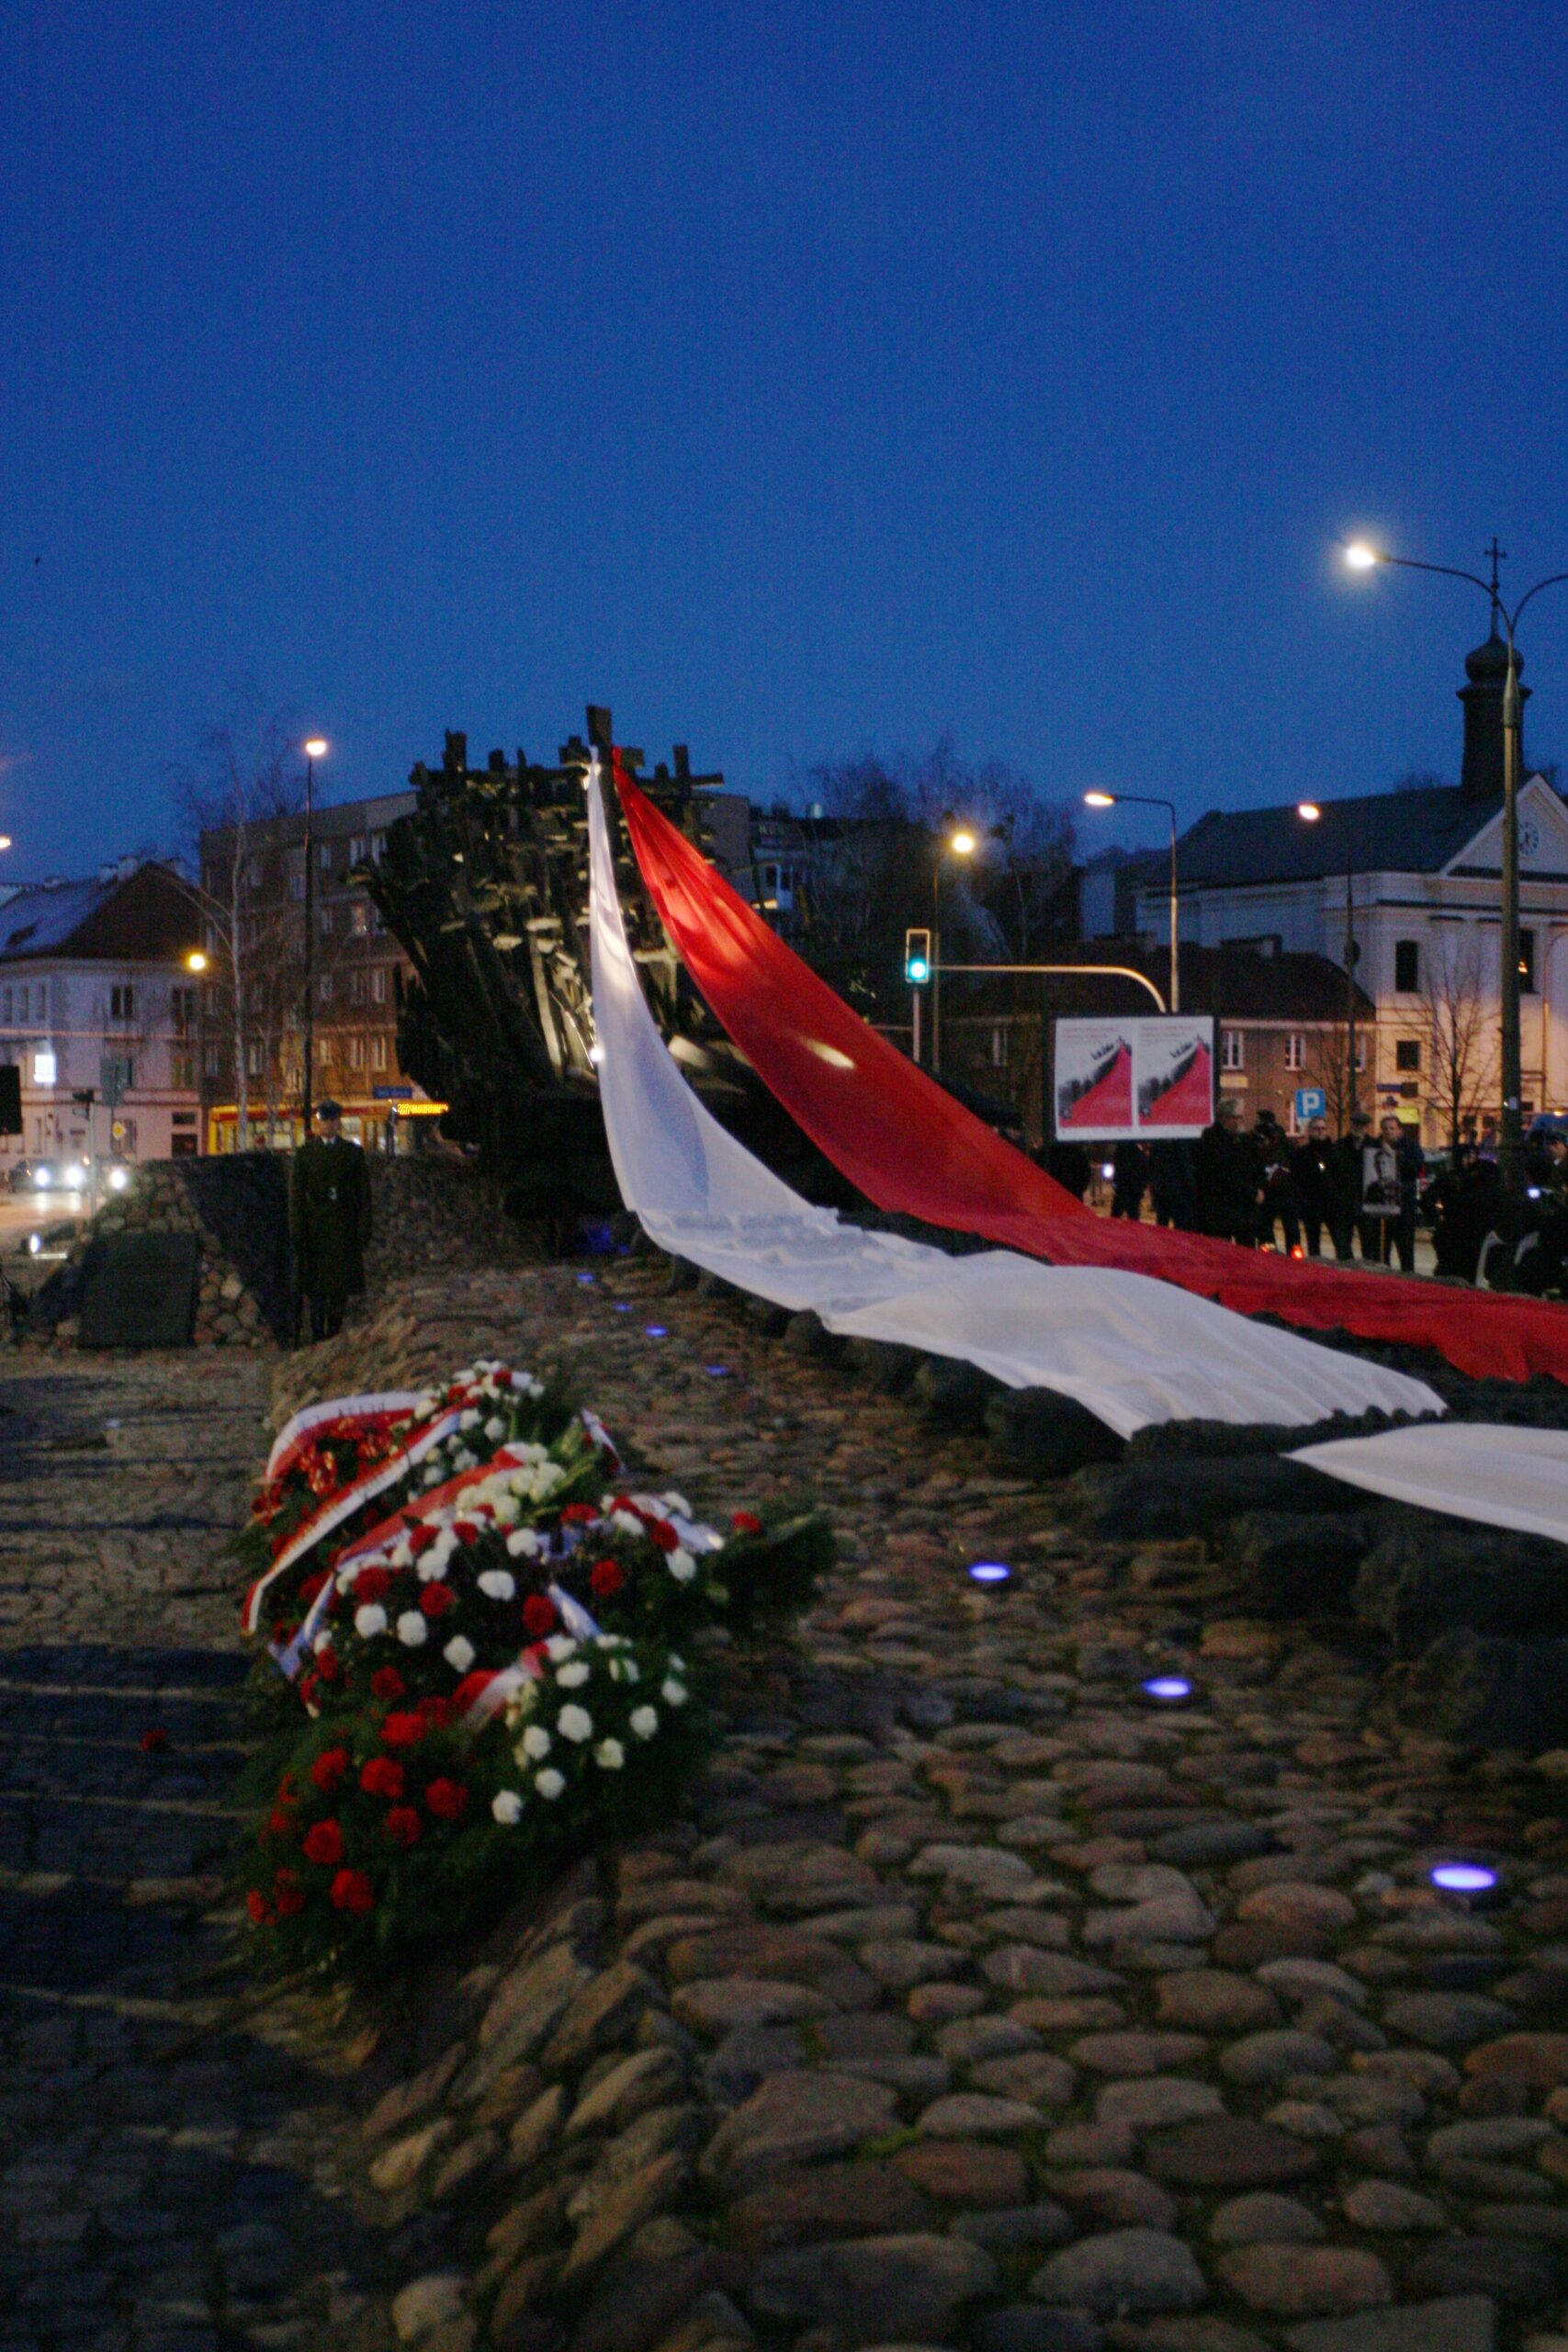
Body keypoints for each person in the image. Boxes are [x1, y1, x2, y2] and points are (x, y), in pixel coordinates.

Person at [289, 1099, 373, 1343]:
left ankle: (333, 1332)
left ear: (338, 1122)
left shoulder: (352, 1153)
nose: (328, 1124)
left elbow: (363, 1194)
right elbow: (296, 1197)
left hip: (342, 1227)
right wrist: (297, 1230)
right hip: (315, 1228)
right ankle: (318, 1334)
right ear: (318, 1123)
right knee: (315, 1287)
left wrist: (363, 1229)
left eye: (332, 1120)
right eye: (324, 1120)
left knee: (339, 1288)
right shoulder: (305, 1154)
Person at [1359, 1114, 1424, 1271]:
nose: (1388, 1132)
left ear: (1399, 1130)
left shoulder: (1410, 1146)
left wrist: (1393, 1155)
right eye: (1385, 1129)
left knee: (1405, 1251)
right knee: (1381, 1252)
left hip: (1404, 1207)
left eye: (1392, 1128)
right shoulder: (1375, 1146)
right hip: (1381, 1210)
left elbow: (1414, 1168)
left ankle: (1408, 1276)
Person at [1195, 1096, 1263, 1243]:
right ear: (1225, 1118)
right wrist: (1252, 1193)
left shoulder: (1240, 1140)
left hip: (1241, 1212)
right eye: (1238, 1117)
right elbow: (1227, 1174)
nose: (1241, 1121)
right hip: (1221, 1213)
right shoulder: (1213, 1142)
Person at [1290, 1114, 1338, 1259]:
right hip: (1311, 1205)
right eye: (1317, 1129)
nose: (1320, 1131)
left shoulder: (1335, 1152)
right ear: (1310, 1131)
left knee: (1340, 1242)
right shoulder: (1302, 1153)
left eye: (1323, 1128)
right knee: (1313, 1245)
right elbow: (1296, 1179)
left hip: (1332, 1204)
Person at [1253, 1111, 1301, 1253]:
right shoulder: (1281, 1139)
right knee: (1288, 1224)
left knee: (1268, 1223)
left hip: (1272, 1190)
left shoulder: (1263, 1138)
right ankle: (1292, 1250)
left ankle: (1273, 1250)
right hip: (1281, 1190)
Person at [1333, 1111, 1372, 1260]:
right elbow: (1332, 1171)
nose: (1359, 1128)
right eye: (1356, 1125)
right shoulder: (1340, 1145)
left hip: (1366, 1202)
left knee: (1369, 1244)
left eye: (1362, 1125)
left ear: (1367, 1127)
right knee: (1343, 1244)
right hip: (1344, 1202)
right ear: (1351, 1125)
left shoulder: (1373, 1145)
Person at [1110, 1139, 1148, 1220]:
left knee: (1116, 1214)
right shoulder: (1138, 1152)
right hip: (1133, 1188)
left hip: (1123, 1187)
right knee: (1133, 1214)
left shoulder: (1121, 1151)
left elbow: (1119, 1170)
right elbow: (1143, 1170)